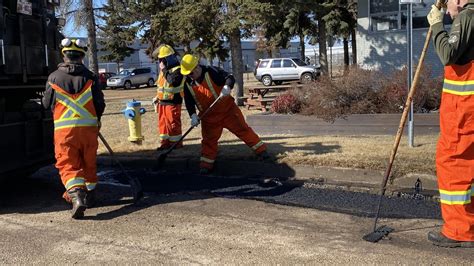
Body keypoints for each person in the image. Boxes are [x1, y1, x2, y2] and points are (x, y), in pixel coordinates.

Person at [426, 0, 474, 247]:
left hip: (463, 111)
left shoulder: (468, 17)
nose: (448, 8)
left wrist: (437, 25)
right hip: (466, 109)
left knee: (454, 164)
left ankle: (459, 231)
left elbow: (447, 55)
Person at [42, 38, 105, 219]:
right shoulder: (91, 77)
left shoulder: (53, 77)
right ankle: (91, 194)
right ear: (82, 56)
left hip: (64, 130)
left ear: (64, 55)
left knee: (68, 163)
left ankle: (77, 196)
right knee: (89, 161)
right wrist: (97, 119)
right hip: (88, 129)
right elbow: (100, 104)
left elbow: (46, 104)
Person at [180, 54, 271, 175]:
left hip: (228, 111)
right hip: (209, 118)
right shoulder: (187, 83)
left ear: (196, 68)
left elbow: (229, 77)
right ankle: (206, 165)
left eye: (190, 73)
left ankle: (261, 151)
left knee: (243, 130)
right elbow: (189, 101)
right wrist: (193, 115)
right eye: (187, 74)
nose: (189, 76)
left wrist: (227, 86)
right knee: (209, 141)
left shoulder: (211, 71)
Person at [152, 45, 185, 150]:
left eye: (162, 59)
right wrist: (157, 97)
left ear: (169, 58)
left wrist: (164, 70)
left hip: (173, 101)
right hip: (162, 102)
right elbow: (161, 85)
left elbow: (173, 82)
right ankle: (164, 143)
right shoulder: (164, 70)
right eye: (160, 59)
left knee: (173, 124)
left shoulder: (178, 69)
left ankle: (175, 144)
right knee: (163, 124)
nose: (161, 62)